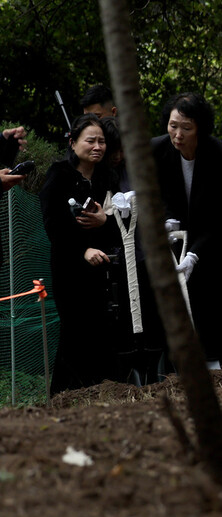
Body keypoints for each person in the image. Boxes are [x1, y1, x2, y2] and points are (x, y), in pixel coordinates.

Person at [151, 92, 222, 368]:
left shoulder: (220, 155)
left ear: (200, 128)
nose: (178, 134)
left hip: (220, 234)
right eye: (173, 125)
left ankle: (215, 359)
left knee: (210, 289)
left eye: (186, 128)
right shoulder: (156, 149)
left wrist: (195, 252)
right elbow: (156, 195)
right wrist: (166, 220)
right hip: (176, 234)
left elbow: (218, 215)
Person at [40, 114, 122, 392]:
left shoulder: (108, 178)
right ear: (73, 143)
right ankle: (64, 394)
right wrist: (82, 249)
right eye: (90, 141)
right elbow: (53, 223)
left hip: (102, 268)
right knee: (74, 328)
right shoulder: (58, 174)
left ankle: (101, 390)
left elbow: (120, 224)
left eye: (102, 141)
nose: (97, 146)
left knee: (99, 327)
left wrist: (105, 222)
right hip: (68, 266)